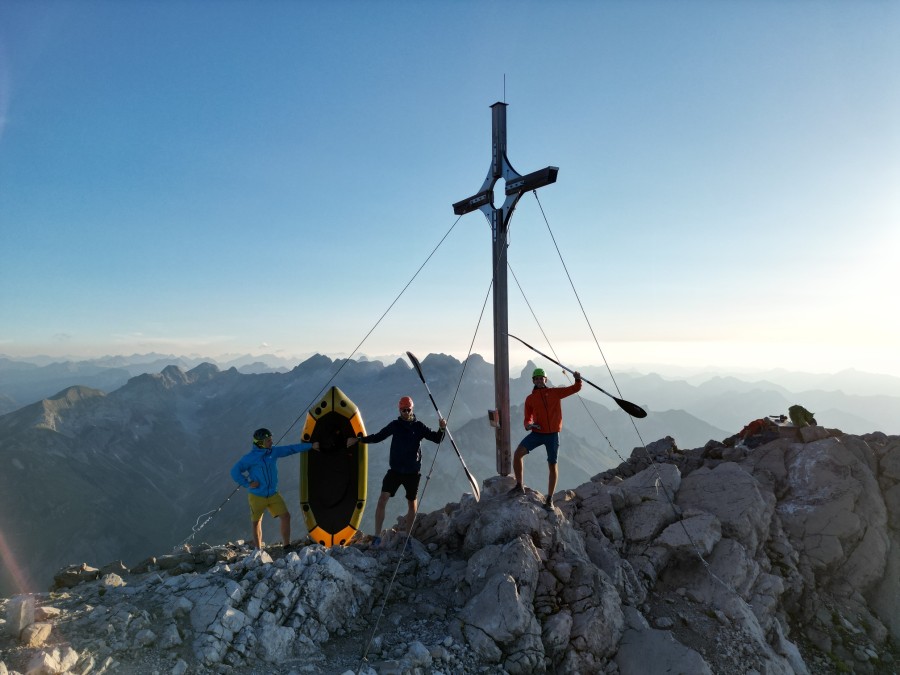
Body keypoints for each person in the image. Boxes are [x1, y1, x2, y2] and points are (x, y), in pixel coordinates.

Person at [347, 396, 446, 544]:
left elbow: (437, 438)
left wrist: (442, 428)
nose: (406, 412)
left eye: (408, 409)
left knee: (412, 503)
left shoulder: (419, 427)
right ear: (399, 410)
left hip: (412, 473)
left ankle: (407, 537)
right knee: (382, 500)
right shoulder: (395, 425)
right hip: (395, 471)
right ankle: (377, 536)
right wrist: (359, 440)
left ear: (412, 409)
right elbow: (378, 437)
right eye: (403, 410)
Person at [230, 427, 318, 551]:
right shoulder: (249, 458)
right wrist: (247, 483)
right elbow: (234, 471)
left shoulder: (273, 452)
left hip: (272, 494)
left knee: (286, 516)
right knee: (256, 523)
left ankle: (286, 545)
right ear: (260, 443)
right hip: (256, 496)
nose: (271, 442)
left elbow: (291, 449)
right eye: (268, 440)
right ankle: (258, 550)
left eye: (271, 439)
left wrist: (310, 446)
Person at [509, 367, 582, 510]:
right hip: (537, 433)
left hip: (553, 435)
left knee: (552, 465)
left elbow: (575, 388)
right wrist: (528, 425)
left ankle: (549, 499)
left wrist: (578, 378)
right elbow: (527, 418)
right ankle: (519, 486)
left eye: (541, 378)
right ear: (533, 381)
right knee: (518, 454)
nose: (538, 380)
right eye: (536, 378)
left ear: (545, 379)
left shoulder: (555, 392)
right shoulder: (530, 399)